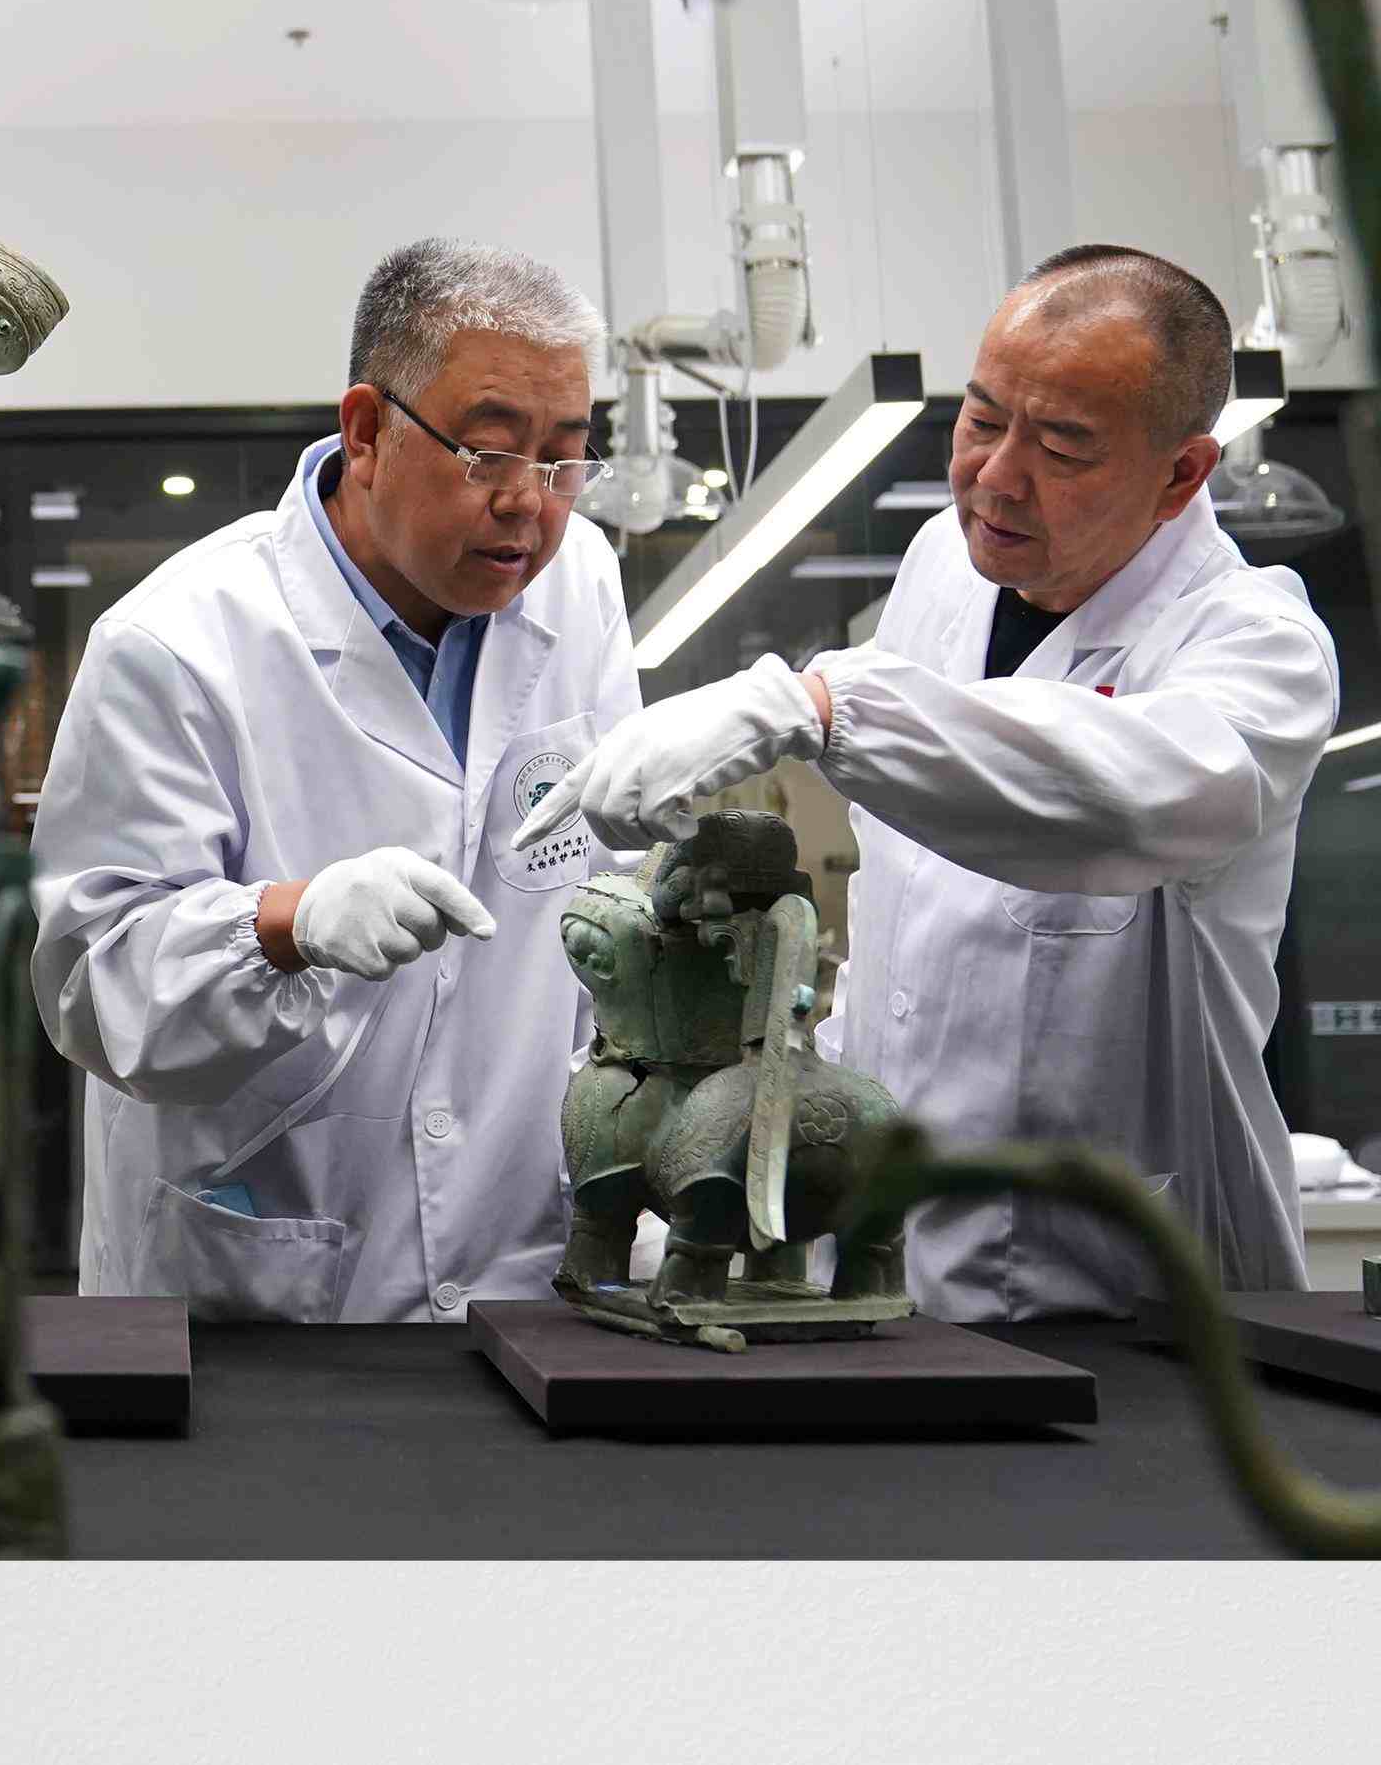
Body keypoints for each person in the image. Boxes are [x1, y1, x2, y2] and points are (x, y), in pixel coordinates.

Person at [519, 244, 1339, 1321]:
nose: (996, 476)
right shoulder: (943, 570)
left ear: (1181, 475)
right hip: (889, 1278)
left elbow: (1127, 795)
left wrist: (818, 705)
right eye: (981, 419)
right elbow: (909, 945)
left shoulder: (1256, 644)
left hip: (1127, 1298)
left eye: (1062, 447)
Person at [31, 239, 641, 1322]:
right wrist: (287, 923)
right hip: (265, 1280)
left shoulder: (580, 582)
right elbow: (94, 988)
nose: (529, 505)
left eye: (563, 460)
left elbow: (609, 879)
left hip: (521, 1270)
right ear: (366, 432)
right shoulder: (175, 645)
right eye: (488, 453)